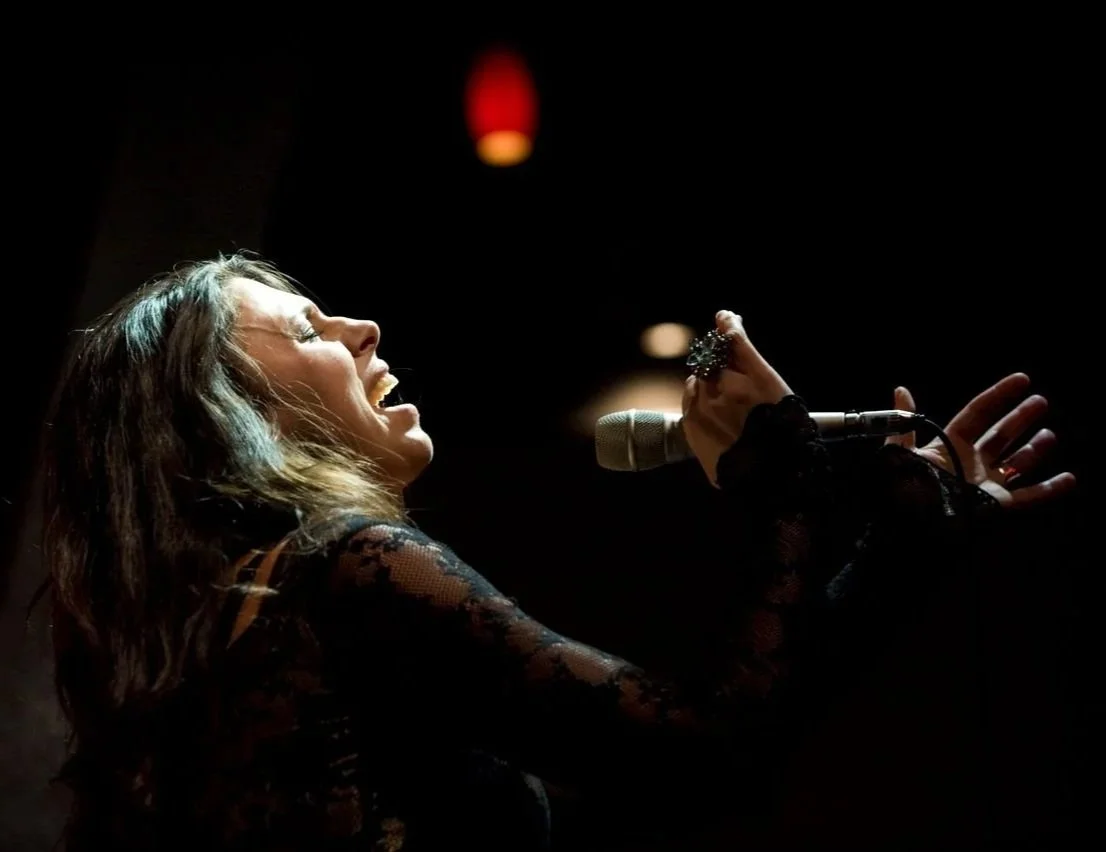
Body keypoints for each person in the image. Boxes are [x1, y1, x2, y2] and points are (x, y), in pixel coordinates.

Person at [40, 253, 1075, 851]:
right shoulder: (348, 570)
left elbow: (665, 766)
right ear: (232, 414)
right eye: (309, 332)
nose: (362, 328)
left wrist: (896, 548)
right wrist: (786, 479)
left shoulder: (222, 647)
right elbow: (704, 758)